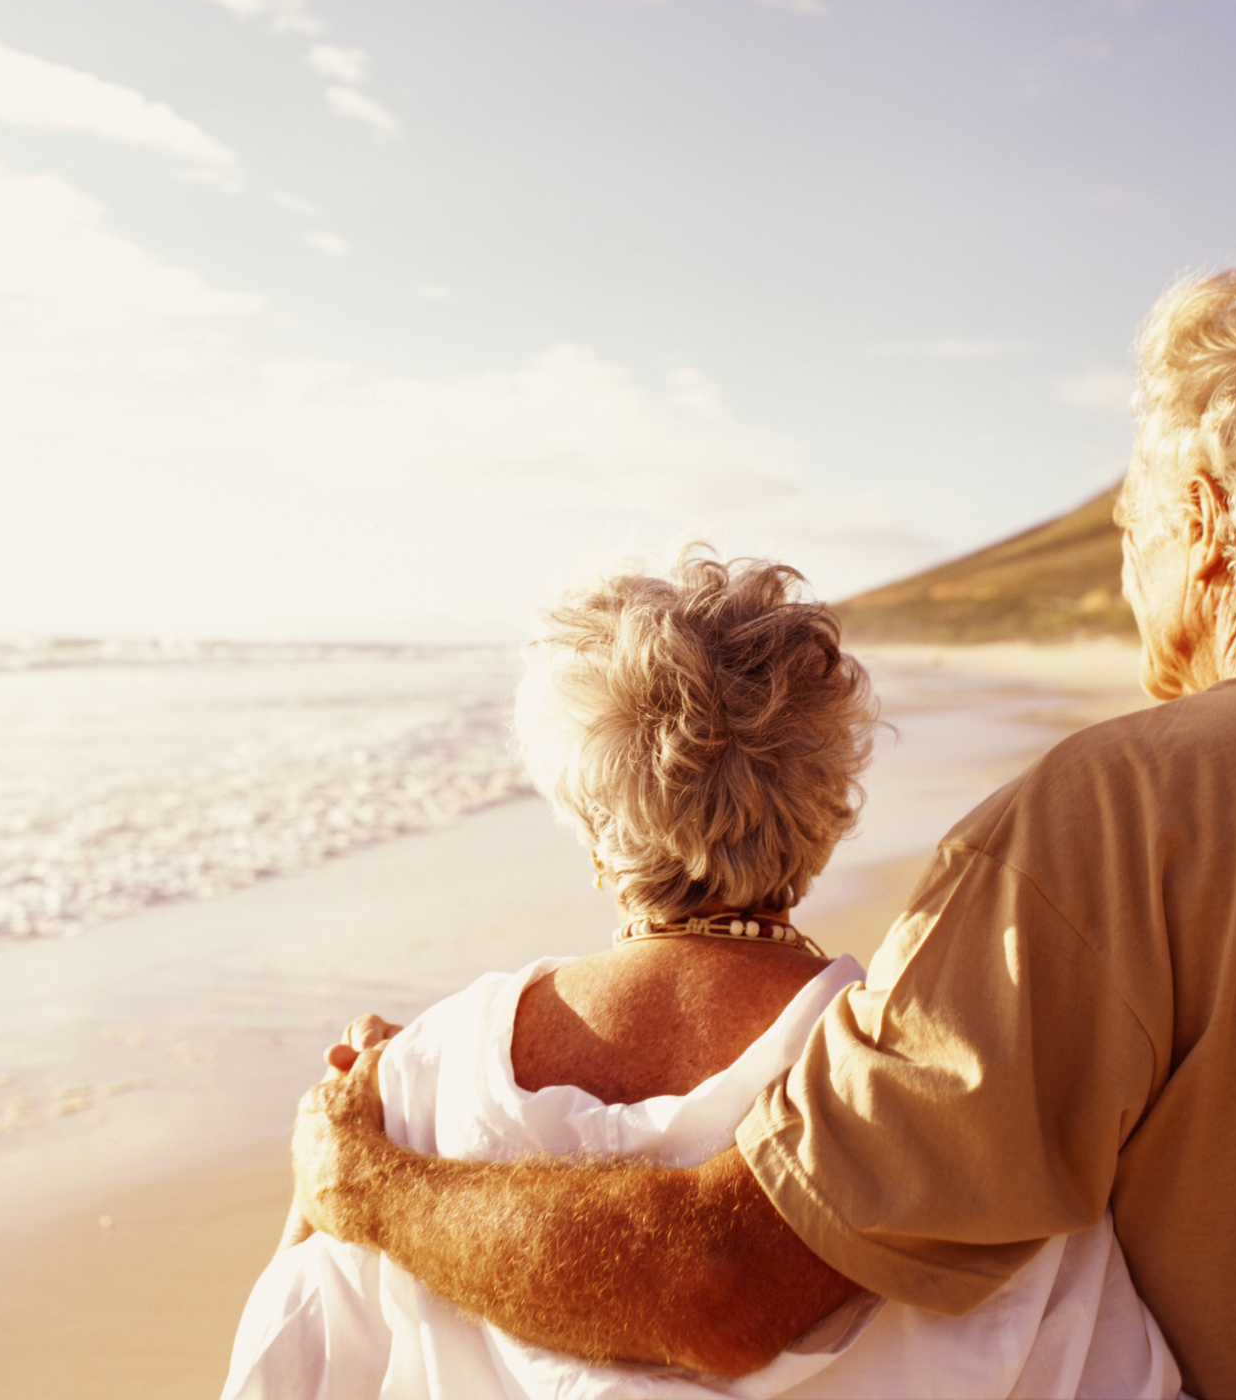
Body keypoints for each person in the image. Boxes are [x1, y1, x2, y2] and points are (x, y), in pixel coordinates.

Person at [290, 258, 1236, 1398]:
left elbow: (730, 1286)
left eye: (1130, 527)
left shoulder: (1118, 816)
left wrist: (376, 1188)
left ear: (1205, 512)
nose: (1131, 568)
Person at [228, 553, 1181, 1397]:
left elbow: (284, 1373)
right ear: (824, 812)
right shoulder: (941, 1093)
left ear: (594, 826)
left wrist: (358, 1140)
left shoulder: (406, 1091)